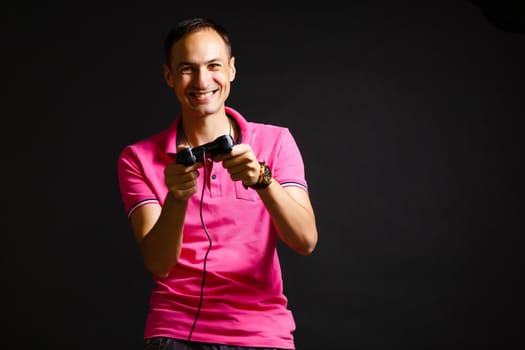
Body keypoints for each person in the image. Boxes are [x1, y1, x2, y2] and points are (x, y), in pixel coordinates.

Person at [117, 17, 318, 350]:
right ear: (169, 76)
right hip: (175, 332)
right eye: (186, 69)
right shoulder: (137, 158)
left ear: (231, 70)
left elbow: (306, 240)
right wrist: (177, 198)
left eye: (213, 66)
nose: (201, 80)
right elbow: (158, 262)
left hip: (262, 333)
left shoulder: (277, 142)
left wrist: (263, 180)